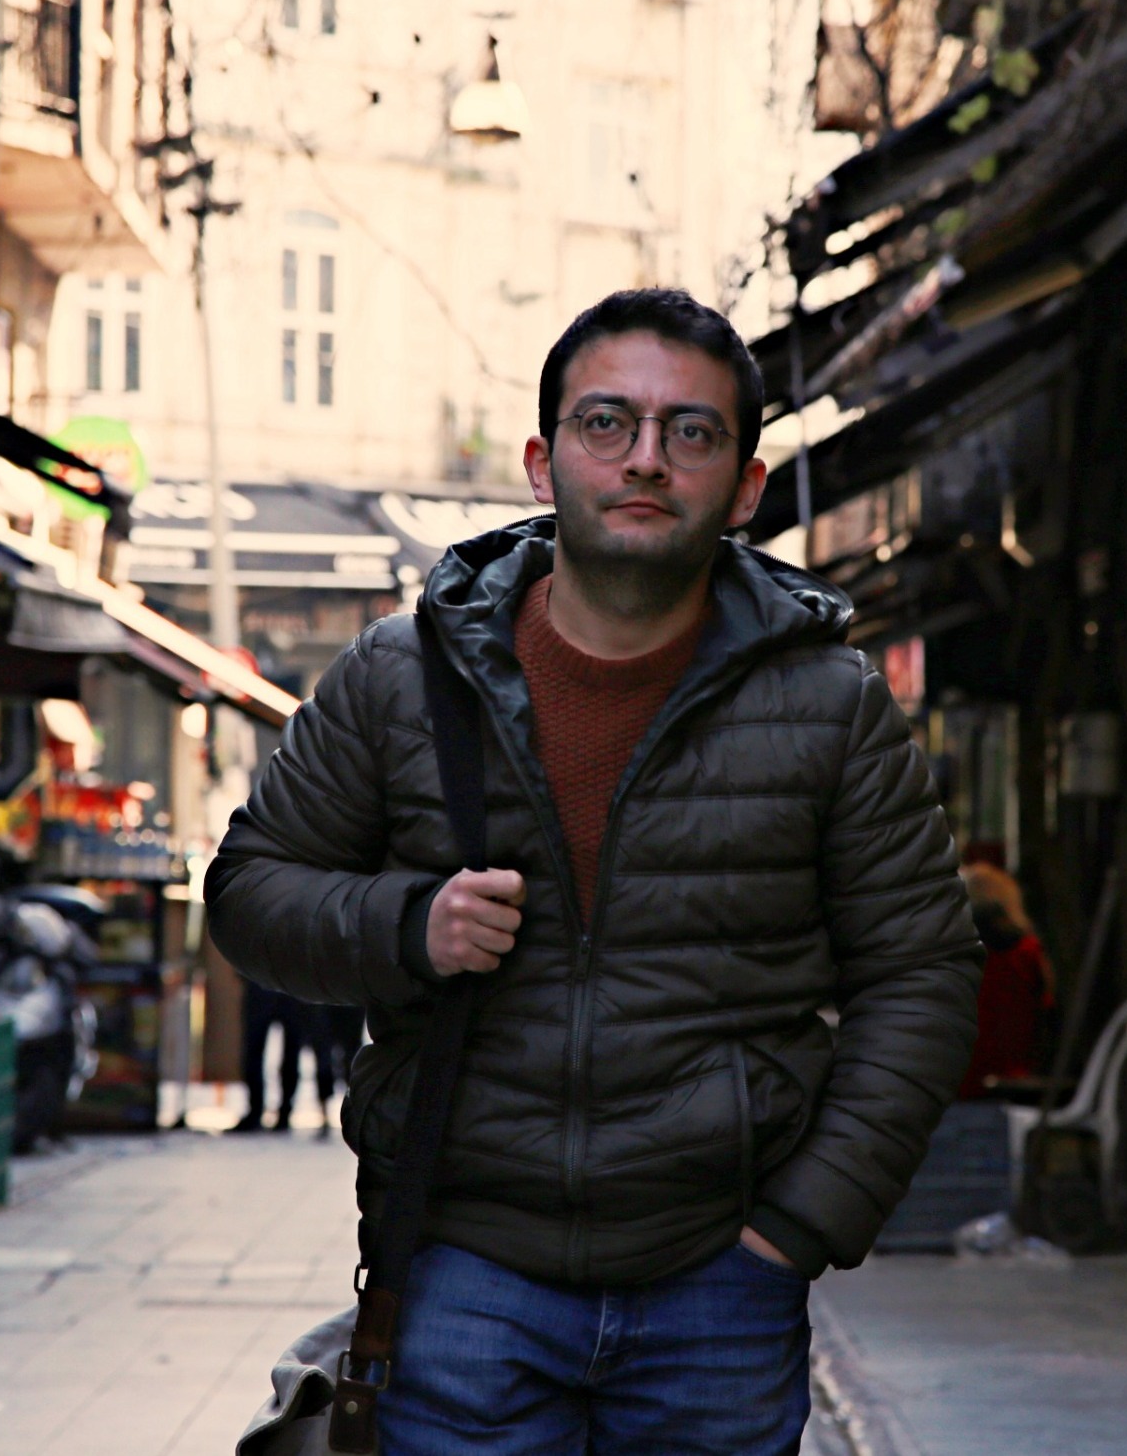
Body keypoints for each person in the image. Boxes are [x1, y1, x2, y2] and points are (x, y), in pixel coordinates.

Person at [206, 288, 982, 1454]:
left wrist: (799, 1224)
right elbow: (249, 889)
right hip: (464, 1267)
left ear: (744, 486)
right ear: (542, 461)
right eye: (606, 422)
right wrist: (408, 922)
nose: (645, 458)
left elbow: (921, 970)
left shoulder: (827, 704)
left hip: (719, 1278)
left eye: (690, 431)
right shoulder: (401, 677)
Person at [958, 860, 1055, 1097]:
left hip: (959, 1084)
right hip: (1014, 1082)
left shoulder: (949, 955)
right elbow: (1046, 1015)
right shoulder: (1029, 953)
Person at [230, 980, 303, 1134]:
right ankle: (264, 1111)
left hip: (283, 986)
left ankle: (277, 1112)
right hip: (281, 985)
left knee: (287, 1050)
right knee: (257, 1050)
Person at [298, 1002, 365, 1139]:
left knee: (342, 1059)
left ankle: (345, 1115)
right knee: (341, 1059)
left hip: (331, 999)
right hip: (346, 1000)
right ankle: (351, 1115)